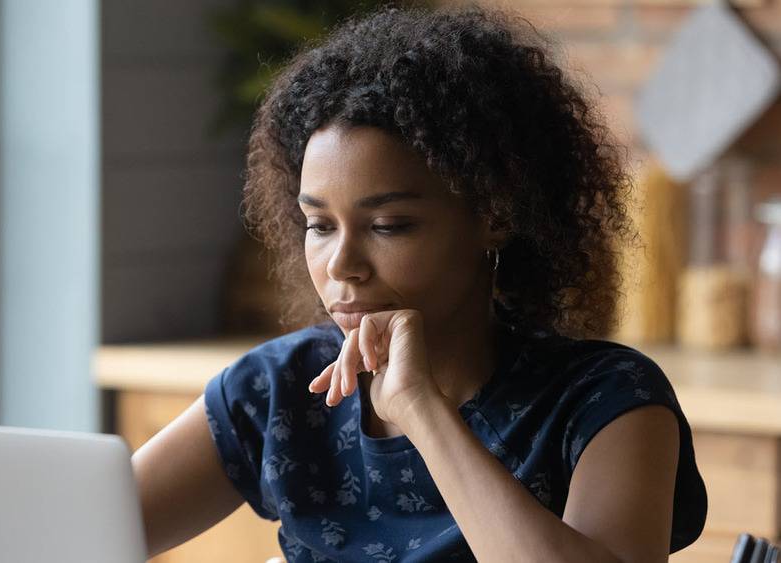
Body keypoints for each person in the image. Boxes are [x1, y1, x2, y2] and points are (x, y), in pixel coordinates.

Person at [131, 4, 708, 562]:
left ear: (494, 217)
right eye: (320, 226)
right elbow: (70, 529)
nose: (341, 264)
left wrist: (420, 409)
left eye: (389, 225)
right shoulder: (279, 390)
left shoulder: (608, 401)